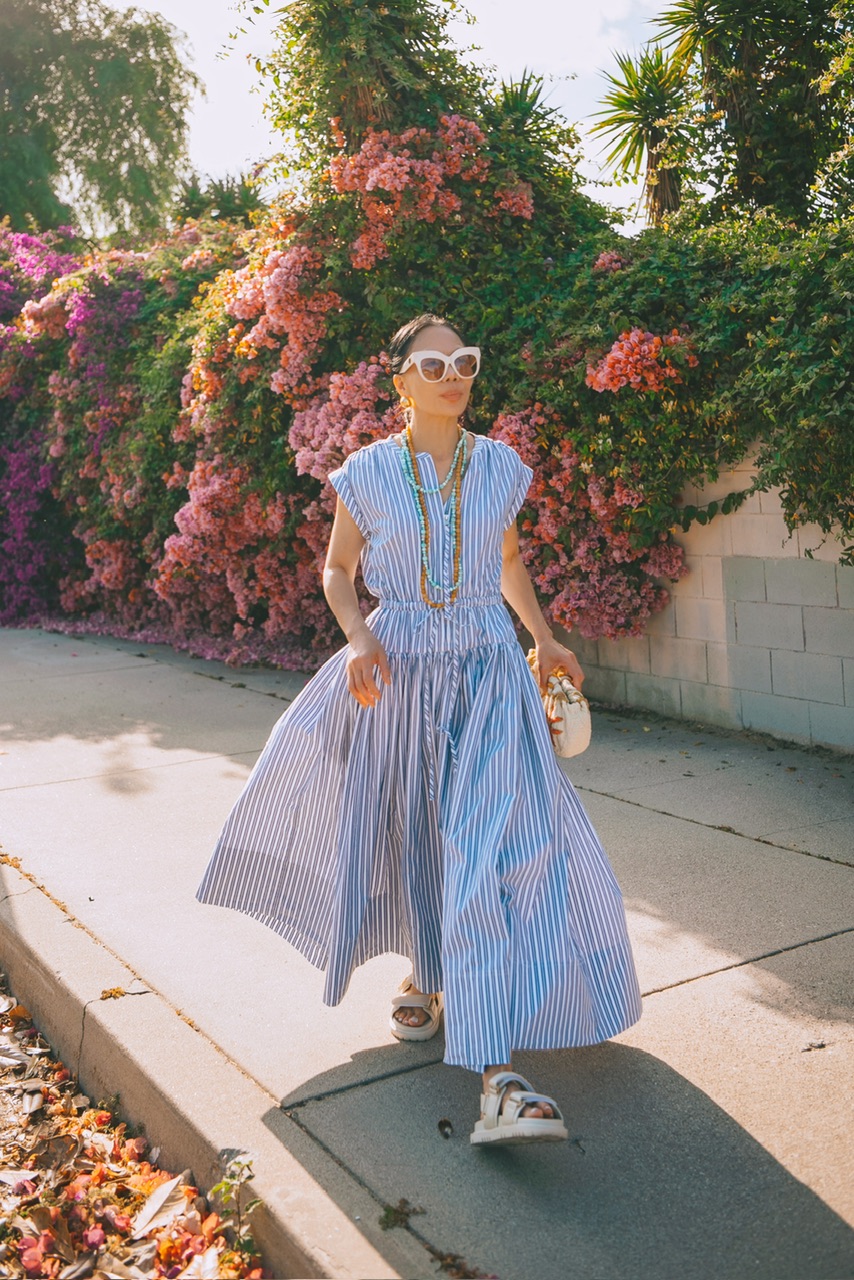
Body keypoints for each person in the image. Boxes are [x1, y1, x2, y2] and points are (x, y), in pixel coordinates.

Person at [196, 312, 643, 1146]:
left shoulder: (502, 466)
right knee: (416, 835)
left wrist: (543, 639)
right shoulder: (365, 472)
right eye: (433, 363)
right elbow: (337, 570)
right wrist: (358, 635)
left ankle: (497, 1074)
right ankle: (429, 972)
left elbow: (507, 561)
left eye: (465, 360)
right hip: (397, 672)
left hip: (487, 671)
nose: (452, 374)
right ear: (400, 379)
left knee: (488, 846)